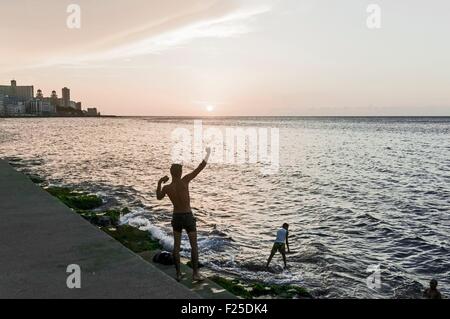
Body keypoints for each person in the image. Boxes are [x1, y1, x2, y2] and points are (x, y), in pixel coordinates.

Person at [156, 147, 211, 282]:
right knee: (194, 246)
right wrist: (208, 153)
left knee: (176, 247)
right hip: (187, 216)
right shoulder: (185, 180)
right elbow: (200, 167)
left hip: (176, 218)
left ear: (171, 173)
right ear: (180, 173)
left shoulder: (167, 187)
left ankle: (179, 274)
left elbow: (158, 197)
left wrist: (159, 182)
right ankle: (195, 274)